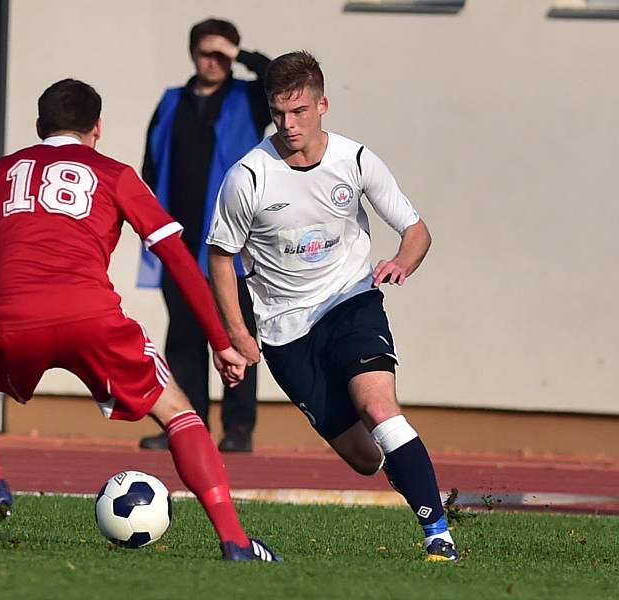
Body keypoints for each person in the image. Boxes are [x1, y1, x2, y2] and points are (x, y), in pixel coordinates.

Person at [0, 79, 279, 562]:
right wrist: (220, 340)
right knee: (179, 413)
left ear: (38, 127)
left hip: (11, 319)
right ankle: (235, 540)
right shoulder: (115, 174)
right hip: (93, 319)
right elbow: (176, 256)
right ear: (97, 129)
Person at [206, 51, 459, 561]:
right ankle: (417, 478)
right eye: (279, 113)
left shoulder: (357, 160)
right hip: (284, 331)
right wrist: (236, 335)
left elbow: (416, 231)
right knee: (366, 458)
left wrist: (401, 263)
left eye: (299, 111)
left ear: (322, 105)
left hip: (351, 302)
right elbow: (220, 256)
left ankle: (437, 534)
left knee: (379, 406)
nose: (288, 124)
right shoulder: (248, 177)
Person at [136, 18, 271, 453]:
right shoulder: (172, 101)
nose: (213, 61)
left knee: (237, 331)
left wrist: (241, 55)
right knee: (184, 336)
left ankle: (238, 428)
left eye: (222, 53)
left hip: (234, 242)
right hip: (177, 239)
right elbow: (150, 165)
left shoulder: (250, 99)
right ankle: (186, 423)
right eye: (206, 52)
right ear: (192, 53)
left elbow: (278, 79)